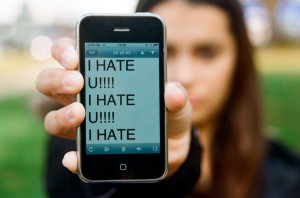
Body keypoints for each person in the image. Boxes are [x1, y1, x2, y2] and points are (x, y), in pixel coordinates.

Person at [36, 0, 300, 197]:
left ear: (239, 61)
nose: (184, 76)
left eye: (207, 53)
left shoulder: (284, 175)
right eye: (167, 51)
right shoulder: (73, 147)